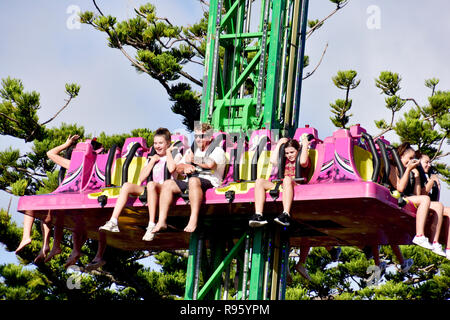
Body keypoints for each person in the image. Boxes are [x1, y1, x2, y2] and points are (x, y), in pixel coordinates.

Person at [150, 122, 227, 234]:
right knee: (168, 183)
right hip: (190, 180)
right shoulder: (192, 151)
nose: (198, 139)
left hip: (210, 181)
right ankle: (162, 221)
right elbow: (178, 167)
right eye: (196, 136)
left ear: (210, 137)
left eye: (202, 136)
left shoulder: (217, 150)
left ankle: (193, 218)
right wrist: (185, 166)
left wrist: (193, 159)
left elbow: (211, 164)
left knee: (193, 180)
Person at [388, 142, 444, 254]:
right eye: (410, 158)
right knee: (425, 199)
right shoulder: (392, 167)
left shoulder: (410, 170)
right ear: (401, 156)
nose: (412, 160)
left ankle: (436, 243)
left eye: (413, 158)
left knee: (437, 205)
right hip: (394, 197)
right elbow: (400, 188)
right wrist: (408, 170)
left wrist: (417, 175)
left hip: (407, 197)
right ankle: (419, 235)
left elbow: (417, 194)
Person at [249, 134, 311, 227]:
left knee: (287, 180)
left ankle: (286, 214)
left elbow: (303, 162)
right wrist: (279, 144)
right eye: (287, 153)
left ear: (298, 150)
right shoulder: (285, 160)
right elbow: (273, 161)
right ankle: (258, 215)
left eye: (292, 152)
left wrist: (305, 145)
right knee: (259, 181)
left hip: (295, 185)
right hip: (282, 184)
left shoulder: (303, 158)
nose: (289, 155)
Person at [417, 152, 450, 259]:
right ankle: (434, 241)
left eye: (430, 162)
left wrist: (437, 186)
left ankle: (448, 248)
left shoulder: (426, 176)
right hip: (420, 203)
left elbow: (435, 200)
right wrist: (430, 183)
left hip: (430, 204)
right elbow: (421, 196)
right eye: (426, 162)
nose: (429, 165)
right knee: (440, 206)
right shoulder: (417, 173)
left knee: (448, 211)